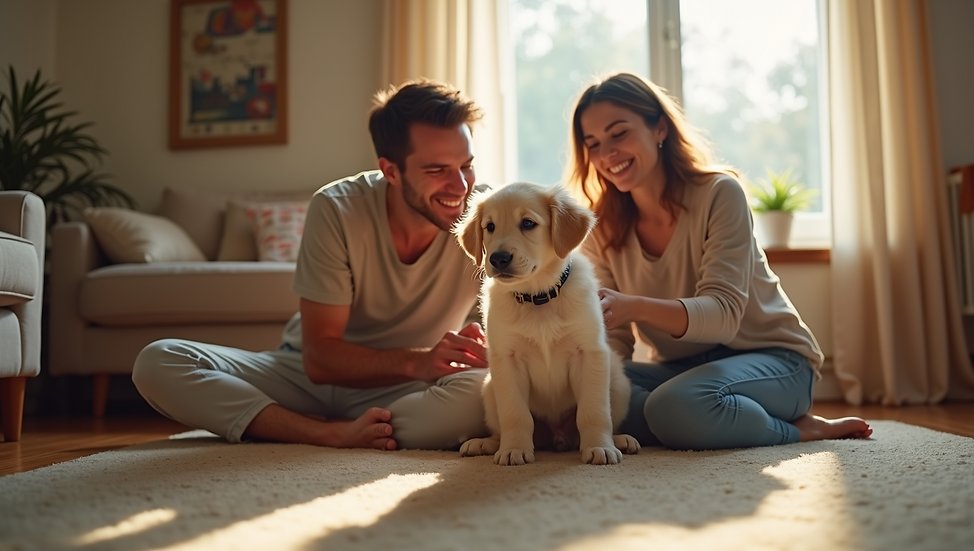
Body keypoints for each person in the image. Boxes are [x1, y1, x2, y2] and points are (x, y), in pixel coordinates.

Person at [132, 79, 492, 451]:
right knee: (159, 361)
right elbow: (321, 359)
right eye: (437, 170)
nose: (459, 186)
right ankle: (322, 432)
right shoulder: (337, 207)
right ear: (391, 171)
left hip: (409, 387)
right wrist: (418, 362)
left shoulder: (487, 215)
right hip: (303, 379)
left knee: (482, 393)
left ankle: (337, 426)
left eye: (466, 165)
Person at [565, 72, 872, 450]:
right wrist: (598, 387)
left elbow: (723, 316)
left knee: (674, 405)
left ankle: (799, 429)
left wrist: (635, 308)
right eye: (593, 144)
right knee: (579, 390)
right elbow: (612, 335)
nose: (606, 154)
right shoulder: (601, 227)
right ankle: (717, 415)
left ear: (659, 127)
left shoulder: (719, 194)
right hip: (684, 370)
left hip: (775, 361)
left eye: (619, 133)